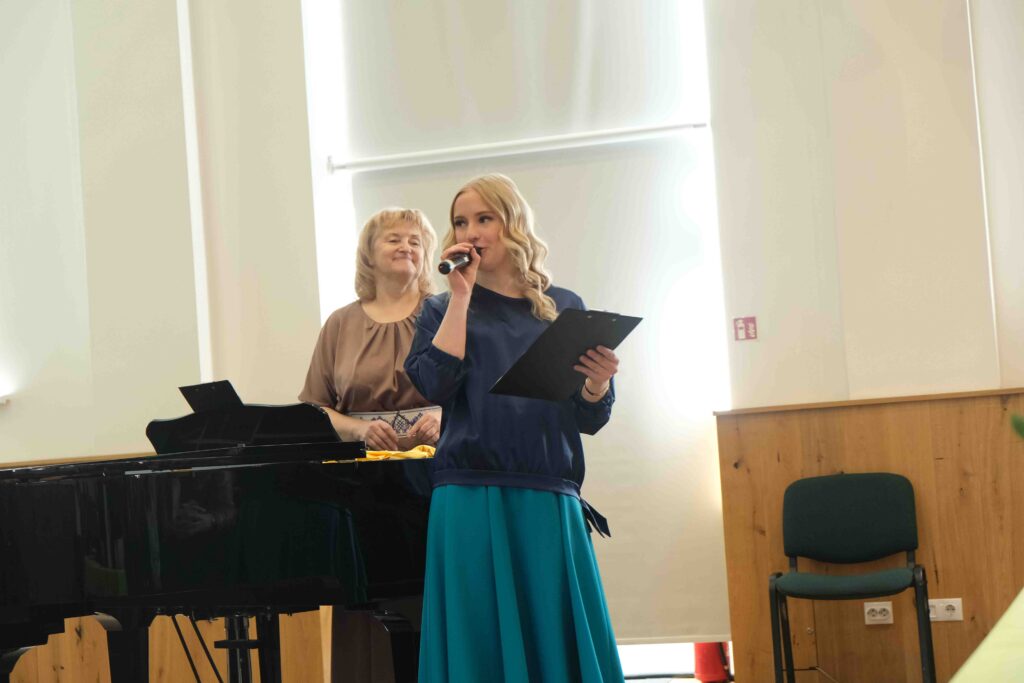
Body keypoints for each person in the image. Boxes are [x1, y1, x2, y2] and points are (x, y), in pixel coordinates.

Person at [405, 174, 624, 682]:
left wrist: (597, 383)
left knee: (552, 638)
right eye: (461, 222)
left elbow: (589, 417)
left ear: (513, 223)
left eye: (484, 218)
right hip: (469, 494)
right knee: (478, 639)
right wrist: (460, 298)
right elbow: (434, 384)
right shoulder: (439, 308)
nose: (471, 232)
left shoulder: (562, 306)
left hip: (547, 493)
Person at [299, 207, 441, 683]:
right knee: (367, 606)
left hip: (437, 483)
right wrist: (359, 431)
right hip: (363, 493)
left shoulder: (444, 313)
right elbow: (314, 409)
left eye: (416, 241)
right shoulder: (340, 323)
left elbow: (478, 392)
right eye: (394, 239)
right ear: (369, 254)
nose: (407, 247)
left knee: (435, 599)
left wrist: (444, 417)